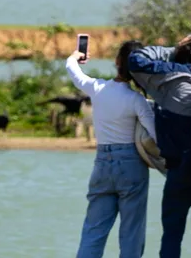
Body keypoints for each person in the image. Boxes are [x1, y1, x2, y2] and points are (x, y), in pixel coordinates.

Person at [67, 41, 157, 258]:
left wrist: (76, 55)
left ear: (117, 62)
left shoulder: (97, 88)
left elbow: (71, 68)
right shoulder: (137, 100)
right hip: (132, 166)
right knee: (131, 232)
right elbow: (157, 135)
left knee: (93, 231)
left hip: (102, 163)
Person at [129, 32, 191, 258]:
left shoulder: (169, 80)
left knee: (172, 232)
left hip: (179, 168)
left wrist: (175, 48)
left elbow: (135, 60)